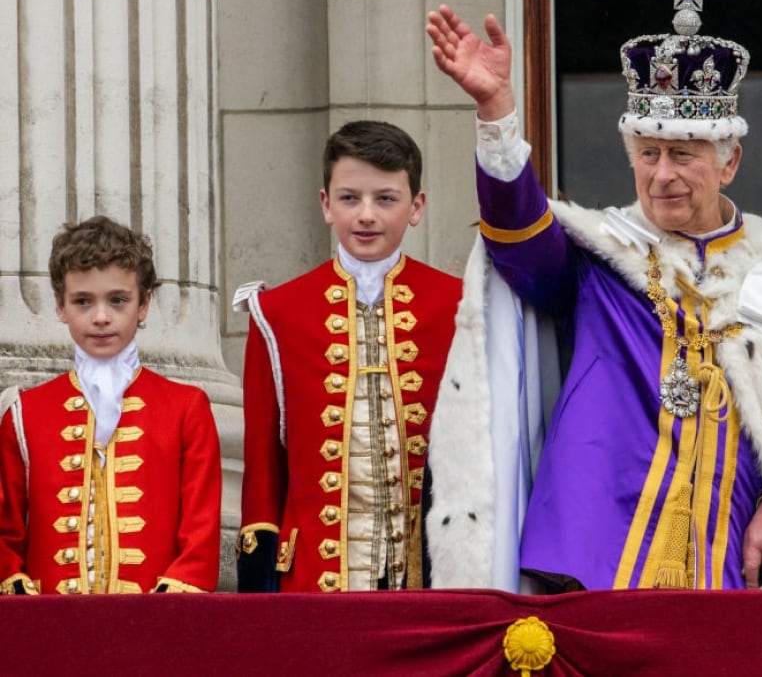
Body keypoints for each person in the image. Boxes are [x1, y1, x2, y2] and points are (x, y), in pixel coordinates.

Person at [425, 0, 762, 591]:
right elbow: (518, 239)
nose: (662, 174)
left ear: (730, 161)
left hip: (735, 562)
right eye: (647, 154)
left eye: (683, 153)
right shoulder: (599, 260)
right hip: (598, 558)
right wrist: (496, 114)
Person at [235, 120, 462, 592]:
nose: (366, 215)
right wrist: (258, 594)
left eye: (385, 198)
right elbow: (262, 470)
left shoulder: (458, 304)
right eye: (349, 198)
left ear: (416, 207)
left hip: (431, 578)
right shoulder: (276, 313)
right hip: (312, 584)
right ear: (325, 204)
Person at [0, 216, 222, 595]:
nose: (101, 317)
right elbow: (5, 535)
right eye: (83, 301)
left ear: (144, 303)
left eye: (118, 300)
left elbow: (200, 538)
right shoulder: (24, 413)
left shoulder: (186, 408)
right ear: (60, 306)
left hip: (153, 629)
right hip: (51, 632)